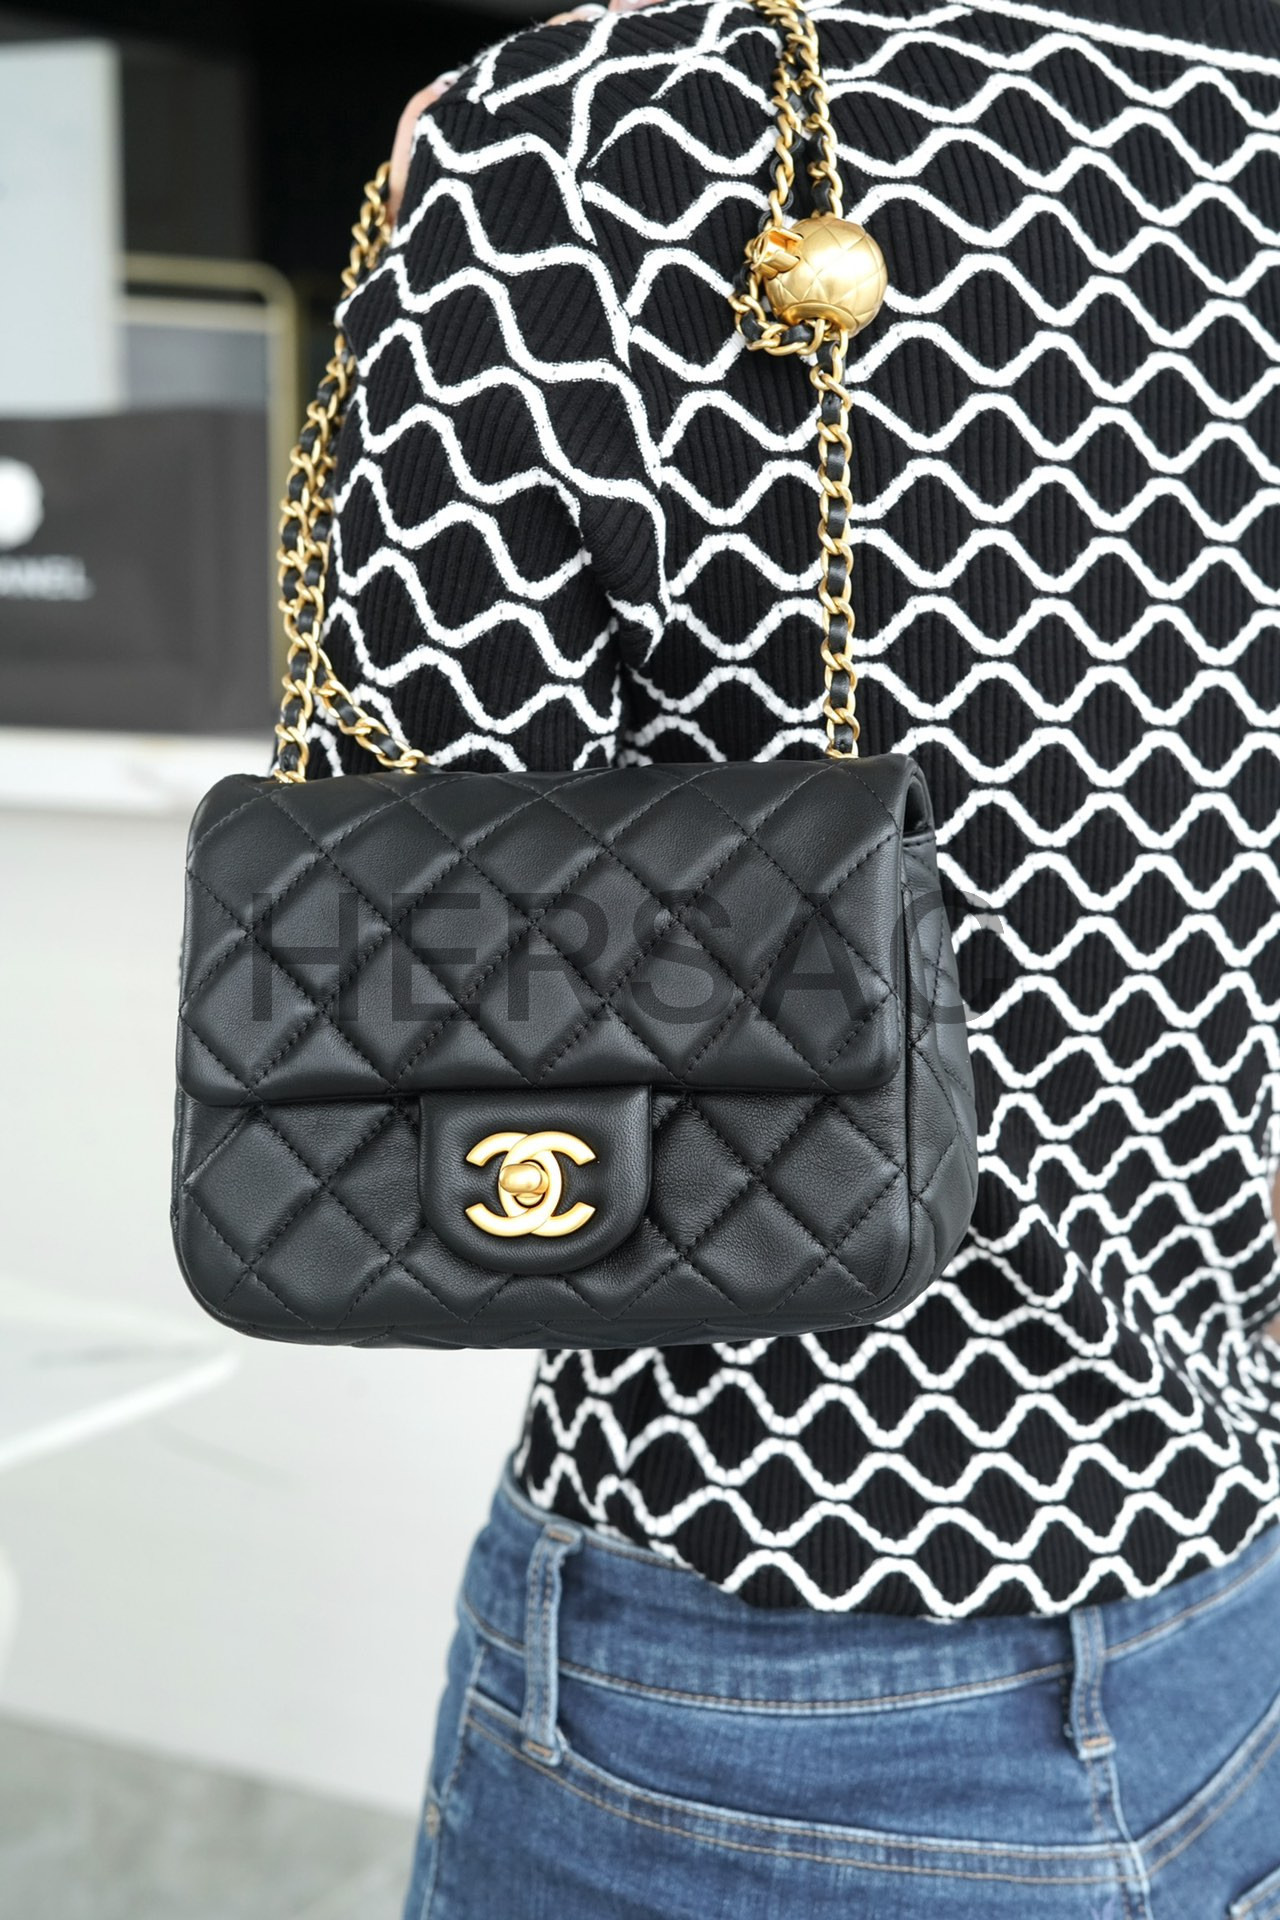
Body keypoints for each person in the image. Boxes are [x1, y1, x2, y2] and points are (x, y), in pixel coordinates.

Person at [307, 0, 1280, 1911]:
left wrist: (434, 287)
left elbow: (402, 893)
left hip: (759, 1608)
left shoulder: (598, 133)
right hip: (1236, 1557)